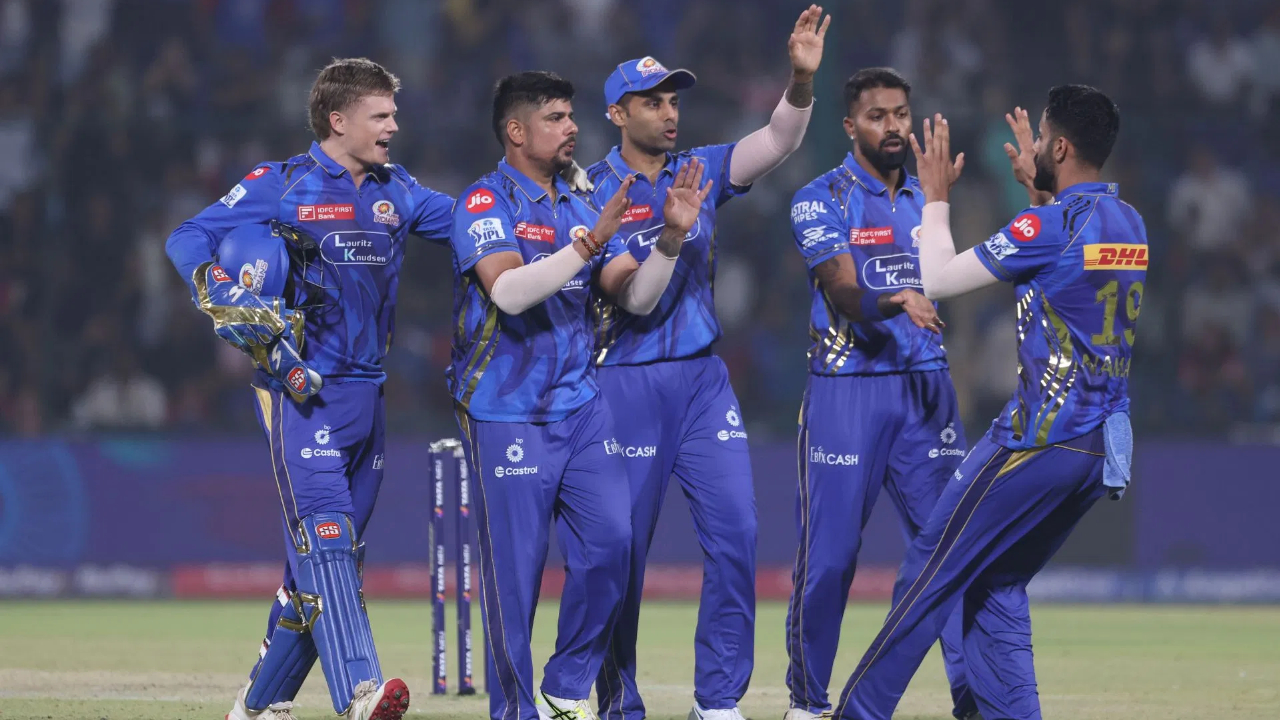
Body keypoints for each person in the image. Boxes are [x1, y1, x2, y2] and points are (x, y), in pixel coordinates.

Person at [834, 85, 1143, 720]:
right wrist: (1040, 194)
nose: (1033, 149)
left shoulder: (1048, 226)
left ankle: (858, 713)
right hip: (1100, 446)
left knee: (930, 568)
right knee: (994, 581)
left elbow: (938, 280)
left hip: (1038, 438)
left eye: (1042, 140)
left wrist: (936, 198)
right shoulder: (1129, 222)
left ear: (1060, 148)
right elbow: (1068, 273)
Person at [166, 57, 456, 720]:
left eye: (393, 114)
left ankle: (258, 704)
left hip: (370, 397)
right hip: (298, 392)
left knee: (325, 565)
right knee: (326, 539)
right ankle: (360, 692)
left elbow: (473, 226)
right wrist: (222, 291)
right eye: (380, 115)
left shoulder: (399, 189)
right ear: (338, 119)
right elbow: (187, 238)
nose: (394, 126)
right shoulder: (281, 183)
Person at [583, 7, 830, 720]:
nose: (669, 112)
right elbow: (632, 303)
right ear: (617, 113)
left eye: (673, 100)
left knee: (737, 535)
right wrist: (668, 233)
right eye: (652, 102)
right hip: (623, 380)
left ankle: (717, 700)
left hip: (701, 381)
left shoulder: (701, 168)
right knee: (621, 551)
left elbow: (778, 139)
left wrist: (800, 81)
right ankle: (618, 702)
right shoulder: (589, 192)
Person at [447, 70, 711, 720]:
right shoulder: (483, 201)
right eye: (556, 118)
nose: (572, 127)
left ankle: (566, 687)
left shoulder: (579, 201)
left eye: (571, 115)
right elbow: (508, 293)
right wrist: (589, 243)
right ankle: (515, 712)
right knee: (516, 577)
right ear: (516, 131)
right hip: (505, 410)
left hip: (581, 405)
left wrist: (671, 240)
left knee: (614, 546)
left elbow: (635, 298)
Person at [784, 67, 976, 720]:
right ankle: (807, 703)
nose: (892, 127)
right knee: (831, 560)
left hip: (926, 390)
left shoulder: (929, 198)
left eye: (900, 114)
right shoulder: (819, 198)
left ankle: (973, 698)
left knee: (952, 552)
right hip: (847, 391)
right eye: (877, 116)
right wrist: (897, 299)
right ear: (850, 126)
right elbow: (843, 291)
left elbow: (955, 274)